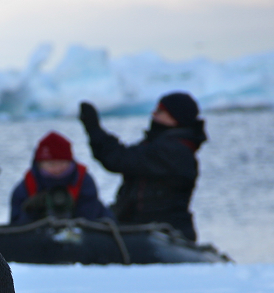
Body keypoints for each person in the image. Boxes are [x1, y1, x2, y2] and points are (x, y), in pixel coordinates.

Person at [79, 92, 206, 241]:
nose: (153, 114)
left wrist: (94, 129)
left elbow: (119, 159)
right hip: (142, 229)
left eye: (160, 111)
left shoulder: (173, 151)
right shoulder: (160, 145)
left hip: (162, 231)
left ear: (175, 117)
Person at [10, 131, 114, 225]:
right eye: (51, 164)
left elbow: (91, 219)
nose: (57, 169)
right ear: (40, 164)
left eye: (62, 163)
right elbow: (16, 228)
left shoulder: (83, 181)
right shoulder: (27, 186)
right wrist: (30, 210)